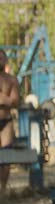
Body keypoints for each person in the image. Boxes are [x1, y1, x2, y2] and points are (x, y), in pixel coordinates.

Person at [0, 49, 19, 192]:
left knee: (7, 157)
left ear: (5, 61)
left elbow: (15, 101)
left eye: (2, 58)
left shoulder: (11, 80)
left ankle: (3, 189)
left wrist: (3, 99)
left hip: (6, 121)